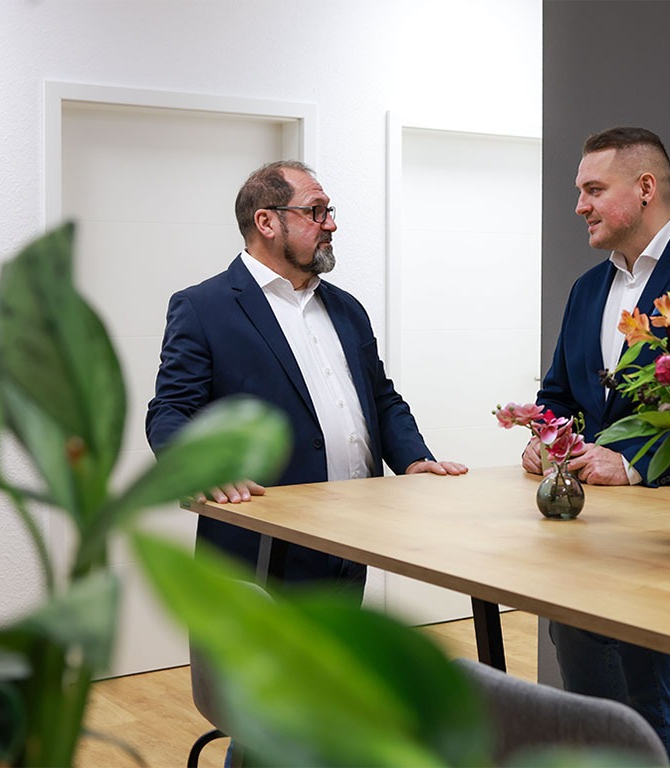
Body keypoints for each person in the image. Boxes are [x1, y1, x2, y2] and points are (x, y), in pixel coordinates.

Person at [524, 127, 670, 766]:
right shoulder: (586, 289)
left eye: (594, 189)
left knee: (646, 694)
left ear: (646, 188)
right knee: (584, 682)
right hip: (583, 532)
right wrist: (547, 439)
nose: (580, 205)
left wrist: (632, 465)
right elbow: (558, 394)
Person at [146, 160, 466, 597]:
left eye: (329, 211)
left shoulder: (346, 308)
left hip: (351, 540)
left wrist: (413, 460)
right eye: (315, 211)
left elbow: (381, 399)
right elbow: (170, 410)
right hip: (255, 549)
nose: (330, 224)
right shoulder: (204, 307)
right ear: (266, 222)